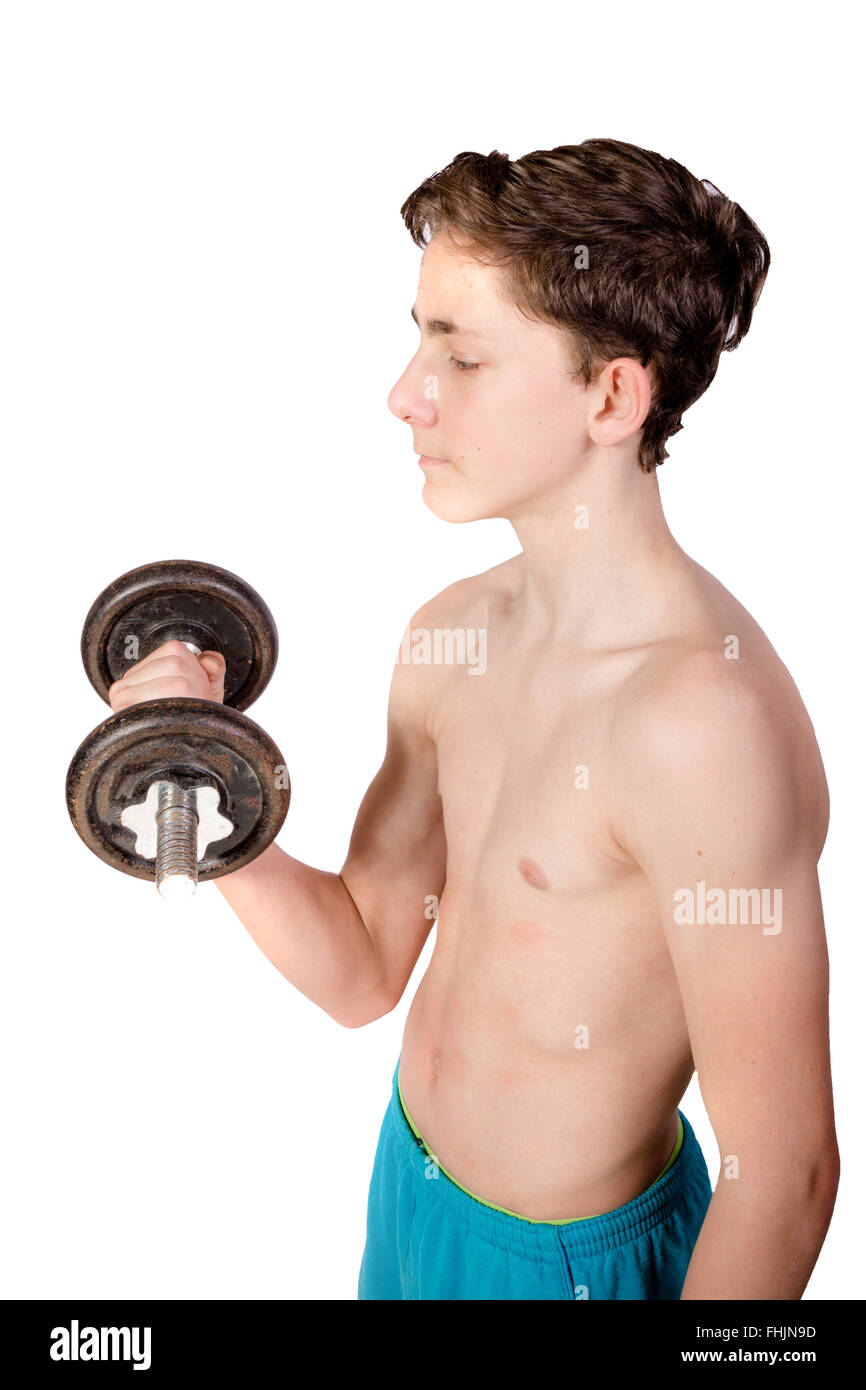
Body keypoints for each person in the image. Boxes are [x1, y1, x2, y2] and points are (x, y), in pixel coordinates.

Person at [108, 139, 839, 1300]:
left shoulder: (701, 723)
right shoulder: (452, 635)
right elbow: (360, 967)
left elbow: (786, 1173)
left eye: (463, 354)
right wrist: (200, 778)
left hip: (562, 1266)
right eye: (417, 335)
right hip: (408, 1184)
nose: (405, 392)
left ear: (610, 396)